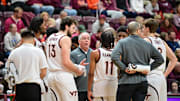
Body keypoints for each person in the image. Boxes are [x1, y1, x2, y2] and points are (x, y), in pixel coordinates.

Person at [111, 21, 164, 101]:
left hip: (126, 82)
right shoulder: (147, 43)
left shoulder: (122, 42)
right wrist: (148, 68)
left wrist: (124, 68)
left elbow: (114, 57)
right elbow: (160, 59)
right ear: (139, 30)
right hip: (142, 82)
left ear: (128, 31)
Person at [46, 17, 87, 101]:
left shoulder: (50, 37)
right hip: (63, 76)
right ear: (66, 27)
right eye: (73, 28)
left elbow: (57, 60)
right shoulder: (65, 38)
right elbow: (66, 62)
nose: (74, 31)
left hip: (50, 76)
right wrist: (77, 70)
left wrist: (76, 65)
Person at [6, 30, 48, 101]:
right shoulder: (39, 52)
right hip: (34, 87)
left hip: (19, 88)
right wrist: (36, 77)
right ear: (34, 40)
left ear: (21, 39)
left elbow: (9, 71)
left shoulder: (14, 52)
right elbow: (44, 72)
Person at [143, 19, 177, 101]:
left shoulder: (146, 41)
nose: (142, 30)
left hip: (151, 77)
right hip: (161, 77)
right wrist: (165, 74)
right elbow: (174, 59)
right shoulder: (162, 42)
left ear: (147, 29)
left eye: (143, 28)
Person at [88, 28, 118, 101]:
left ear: (101, 40)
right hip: (113, 86)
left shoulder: (95, 53)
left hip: (99, 86)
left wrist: (89, 90)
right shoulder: (118, 54)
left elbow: (91, 73)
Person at [71, 32, 92, 101]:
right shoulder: (73, 54)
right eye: (84, 39)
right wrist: (78, 67)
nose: (86, 40)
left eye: (88, 39)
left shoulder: (94, 53)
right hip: (79, 88)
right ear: (79, 41)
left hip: (92, 89)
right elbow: (70, 72)